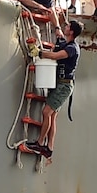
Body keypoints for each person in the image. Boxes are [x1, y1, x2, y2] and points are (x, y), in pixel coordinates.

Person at [19, 19, 82, 160]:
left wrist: (38, 53)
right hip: (61, 84)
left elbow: (55, 56)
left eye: (67, 26)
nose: (65, 27)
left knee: (46, 112)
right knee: (52, 116)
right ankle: (49, 148)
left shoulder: (72, 48)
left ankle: (40, 143)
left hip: (64, 86)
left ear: (71, 31)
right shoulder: (68, 45)